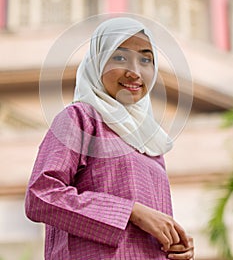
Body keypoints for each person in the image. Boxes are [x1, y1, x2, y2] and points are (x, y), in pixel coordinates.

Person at [25, 17, 194, 260]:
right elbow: (40, 196)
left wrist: (176, 243)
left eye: (146, 59)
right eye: (120, 57)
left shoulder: (150, 141)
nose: (134, 72)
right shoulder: (81, 118)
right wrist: (130, 212)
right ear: (97, 62)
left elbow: (152, 226)